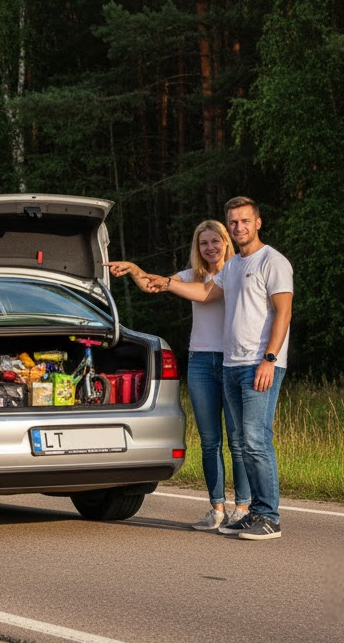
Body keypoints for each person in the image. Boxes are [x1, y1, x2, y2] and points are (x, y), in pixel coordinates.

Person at [143, 196, 293, 541]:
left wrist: (269, 360)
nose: (239, 227)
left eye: (244, 221)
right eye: (234, 222)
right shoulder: (233, 266)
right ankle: (252, 513)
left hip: (260, 364)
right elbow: (206, 293)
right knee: (242, 440)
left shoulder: (273, 262)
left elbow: (283, 313)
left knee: (255, 440)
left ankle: (269, 516)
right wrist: (163, 281)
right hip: (231, 364)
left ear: (258, 222)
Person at [107, 220, 251, 532]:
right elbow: (152, 284)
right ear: (197, 249)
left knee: (237, 440)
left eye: (215, 241)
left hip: (231, 359)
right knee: (210, 440)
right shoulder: (190, 275)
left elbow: (205, 295)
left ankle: (242, 508)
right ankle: (217, 510)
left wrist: (170, 284)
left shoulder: (234, 272)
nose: (210, 247)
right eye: (203, 243)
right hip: (200, 361)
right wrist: (133, 269)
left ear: (226, 242)